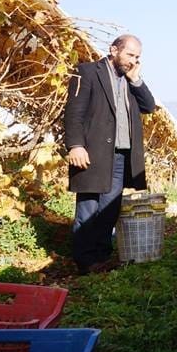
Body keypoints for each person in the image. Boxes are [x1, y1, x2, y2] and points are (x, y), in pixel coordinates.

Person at [63, 35, 156, 275]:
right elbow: (74, 112)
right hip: (92, 153)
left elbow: (149, 106)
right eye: (130, 55)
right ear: (114, 50)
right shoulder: (87, 72)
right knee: (89, 207)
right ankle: (85, 261)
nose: (133, 61)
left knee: (109, 209)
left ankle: (101, 258)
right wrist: (75, 145)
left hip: (120, 156)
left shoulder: (131, 79)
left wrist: (136, 80)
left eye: (137, 57)